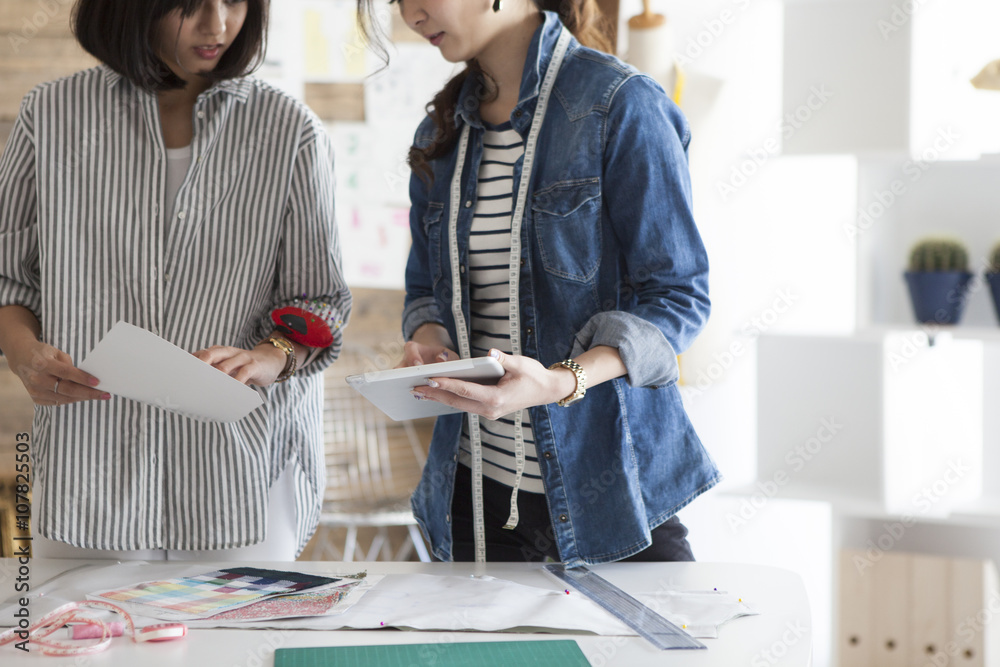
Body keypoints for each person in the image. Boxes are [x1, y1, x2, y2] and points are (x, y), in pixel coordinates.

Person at [356, 0, 719, 566]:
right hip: (475, 496)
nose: (412, 14)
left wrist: (560, 382)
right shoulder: (441, 130)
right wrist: (428, 336)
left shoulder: (622, 105)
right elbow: (426, 284)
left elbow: (679, 297)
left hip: (608, 497)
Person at [0, 0, 351, 560]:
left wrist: (270, 354)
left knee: (237, 648)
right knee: (79, 646)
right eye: (187, 6)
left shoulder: (288, 129)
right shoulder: (52, 115)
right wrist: (24, 356)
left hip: (238, 473)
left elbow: (321, 299)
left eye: (234, 2)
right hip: (89, 468)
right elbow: (8, 279)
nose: (217, 26)